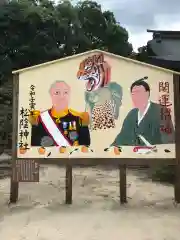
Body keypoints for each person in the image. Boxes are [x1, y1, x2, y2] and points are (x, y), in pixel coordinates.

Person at [111, 79, 175, 146]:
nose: (135, 97)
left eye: (138, 93)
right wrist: (110, 149)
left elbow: (169, 141)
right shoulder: (132, 114)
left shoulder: (161, 111)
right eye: (133, 94)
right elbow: (122, 137)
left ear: (147, 94)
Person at [29, 80, 91, 147]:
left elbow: (85, 147)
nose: (62, 97)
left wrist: (84, 126)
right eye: (57, 93)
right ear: (51, 95)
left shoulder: (79, 118)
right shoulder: (41, 118)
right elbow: (35, 147)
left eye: (65, 92)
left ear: (69, 95)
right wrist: (34, 126)